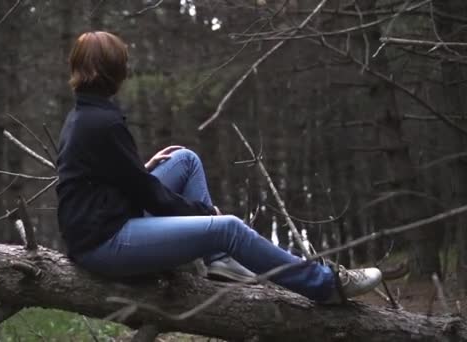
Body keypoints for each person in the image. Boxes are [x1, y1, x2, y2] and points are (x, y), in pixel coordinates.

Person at [56, 31, 382, 304]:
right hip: (104, 244)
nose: (127, 71)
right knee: (227, 227)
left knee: (184, 160)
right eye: (124, 65)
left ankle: (220, 263)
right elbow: (149, 196)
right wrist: (204, 212)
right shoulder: (103, 123)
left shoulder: (82, 117)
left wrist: (141, 168)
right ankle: (326, 285)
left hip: (101, 226)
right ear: (114, 71)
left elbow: (105, 181)